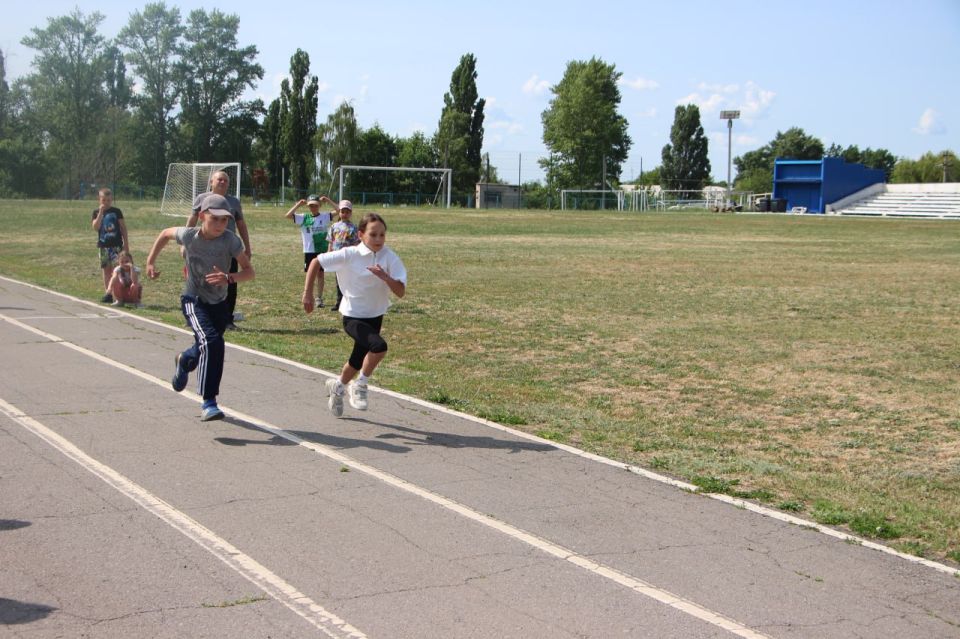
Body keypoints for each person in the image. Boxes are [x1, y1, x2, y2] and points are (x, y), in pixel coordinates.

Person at [146, 193, 255, 422]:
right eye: (214, 219)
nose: (219, 224)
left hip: (219, 302)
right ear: (203, 216)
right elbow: (165, 234)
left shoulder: (230, 241)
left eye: (224, 220)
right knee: (212, 342)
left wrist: (229, 278)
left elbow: (249, 272)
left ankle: (185, 360)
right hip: (194, 300)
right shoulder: (189, 236)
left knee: (208, 344)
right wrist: (150, 261)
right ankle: (208, 402)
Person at [302, 212, 406, 417]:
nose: (378, 239)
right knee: (379, 346)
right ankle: (360, 385)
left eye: (382, 235)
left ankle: (338, 387)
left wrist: (385, 277)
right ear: (360, 234)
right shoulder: (349, 255)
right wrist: (308, 294)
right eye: (373, 234)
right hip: (352, 315)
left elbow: (400, 291)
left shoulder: (390, 257)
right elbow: (316, 262)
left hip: (376, 315)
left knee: (356, 359)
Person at [188, 170, 251, 329]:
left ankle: (227, 320)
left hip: (228, 250)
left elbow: (241, 224)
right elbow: (193, 219)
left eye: (225, 181)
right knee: (199, 281)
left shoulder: (234, 202)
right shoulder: (202, 198)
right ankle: (197, 316)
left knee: (230, 281)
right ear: (211, 182)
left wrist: (247, 247)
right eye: (219, 180)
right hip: (204, 247)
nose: (222, 182)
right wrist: (186, 242)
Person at [285, 194, 336, 307]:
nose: (313, 208)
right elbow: (288, 215)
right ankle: (309, 296)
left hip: (321, 249)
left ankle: (319, 298)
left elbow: (338, 210)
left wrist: (328, 200)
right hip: (309, 250)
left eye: (316, 205)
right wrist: (298, 204)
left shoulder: (324, 216)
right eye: (311, 206)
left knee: (321, 275)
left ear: (319, 206)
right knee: (310, 275)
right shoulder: (304, 217)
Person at [91, 187, 130, 304]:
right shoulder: (96, 212)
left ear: (111, 200)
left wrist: (126, 244)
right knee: (106, 270)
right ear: (99, 200)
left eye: (108, 200)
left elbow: (123, 228)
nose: (106, 203)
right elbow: (95, 227)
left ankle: (118, 295)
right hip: (103, 246)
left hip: (116, 245)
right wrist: (100, 213)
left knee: (116, 270)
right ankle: (108, 293)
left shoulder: (116, 212)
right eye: (104, 200)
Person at [325, 199, 360, 311]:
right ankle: (339, 302)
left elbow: (356, 243)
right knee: (339, 280)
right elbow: (331, 241)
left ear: (350, 213)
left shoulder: (353, 228)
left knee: (349, 280)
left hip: (348, 258)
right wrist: (329, 254)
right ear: (339, 212)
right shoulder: (334, 226)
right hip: (337, 257)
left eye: (347, 212)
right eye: (342, 211)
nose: (344, 214)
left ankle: (350, 301)